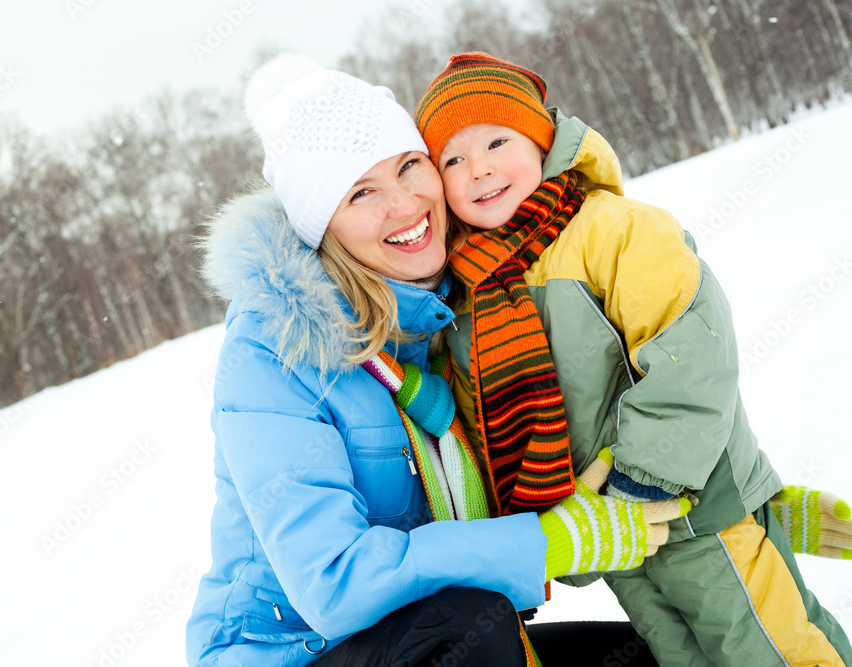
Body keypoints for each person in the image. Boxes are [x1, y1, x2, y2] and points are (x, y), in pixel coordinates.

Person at [185, 54, 691, 667]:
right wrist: (548, 541)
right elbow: (332, 582)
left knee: (634, 656)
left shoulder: (452, 308)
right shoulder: (275, 352)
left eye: (408, 167)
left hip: (416, 632)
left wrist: (732, 502)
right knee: (469, 624)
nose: (404, 206)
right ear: (323, 227)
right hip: (291, 651)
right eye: (362, 192)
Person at [412, 51, 852, 666]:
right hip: (611, 533)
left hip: (694, 506)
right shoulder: (469, 291)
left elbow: (690, 344)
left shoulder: (610, 229)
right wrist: (556, 519)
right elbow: (477, 416)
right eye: (453, 159)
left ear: (543, 142)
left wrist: (641, 480)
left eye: (496, 141)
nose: (478, 169)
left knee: (764, 645)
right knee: (679, 655)